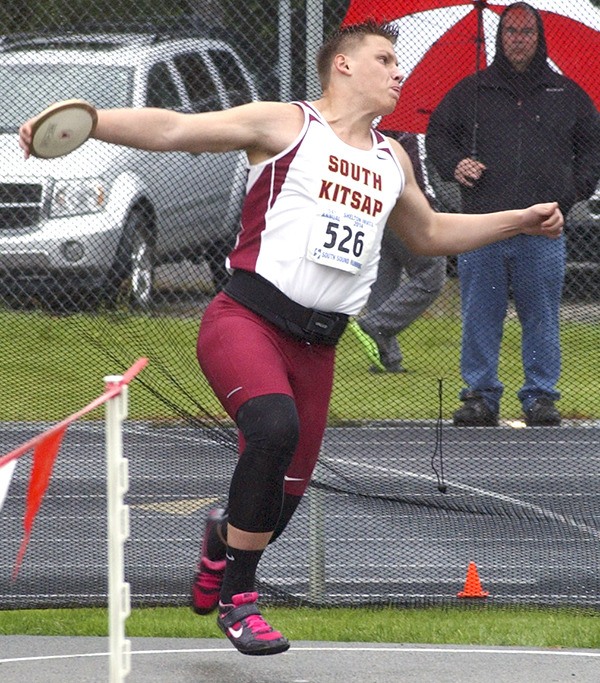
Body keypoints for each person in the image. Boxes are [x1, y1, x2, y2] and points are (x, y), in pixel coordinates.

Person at [20, 20, 563, 657]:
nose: (398, 72)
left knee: (274, 514)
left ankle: (222, 541)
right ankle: (240, 600)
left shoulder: (394, 159)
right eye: (385, 59)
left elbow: (431, 236)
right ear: (343, 67)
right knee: (272, 429)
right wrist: (87, 118)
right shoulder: (286, 125)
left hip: (318, 349)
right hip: (245, 321)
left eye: (399, 62)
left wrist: (517, 221)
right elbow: (173, 129)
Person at [426, 2, 600, 427]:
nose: (517, 40)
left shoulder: (567, 94)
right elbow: (437, 136)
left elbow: (593, 149)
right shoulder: (472, 91)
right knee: (479, 314)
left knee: (541, 316)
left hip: (542, 229)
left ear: (539, 38)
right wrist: (455, 165)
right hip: (481, 229)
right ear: (498, 37)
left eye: (525, 32)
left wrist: (569, 196)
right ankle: (480, 396)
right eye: (509, 32)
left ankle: (540, 396)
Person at [349, 132, 446, 373]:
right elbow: (418, 170)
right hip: (408, 212)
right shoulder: (409, 133)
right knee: (432, 272)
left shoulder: (366, 128)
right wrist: (430, 208)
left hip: (373, 209)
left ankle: (386, 358)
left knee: (383, 279)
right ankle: (377, 325)